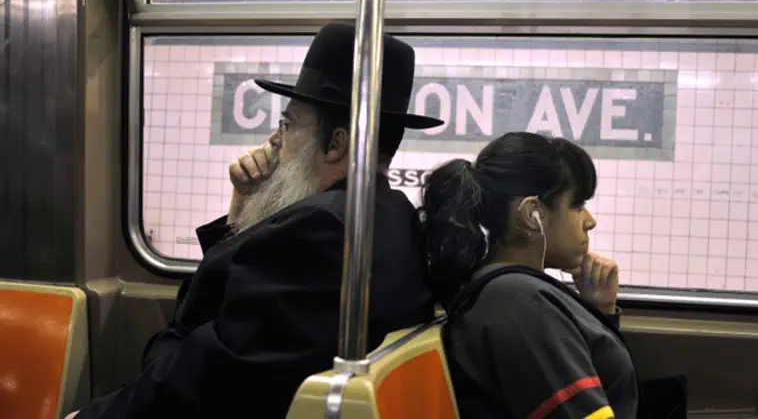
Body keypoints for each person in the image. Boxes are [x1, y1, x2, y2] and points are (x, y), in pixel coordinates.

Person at [68, 22, 444, 419]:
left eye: (289, 124)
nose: (274, 141)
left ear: (336, 144)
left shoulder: (318, 233)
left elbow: (194, 381)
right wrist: (243, 206)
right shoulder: (392, 214)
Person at [419, 132, 640, 419]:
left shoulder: (516, 292)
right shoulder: (517, 301)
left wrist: (600, 310)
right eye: (577, 205)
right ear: (531, 214)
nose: (590, 221)